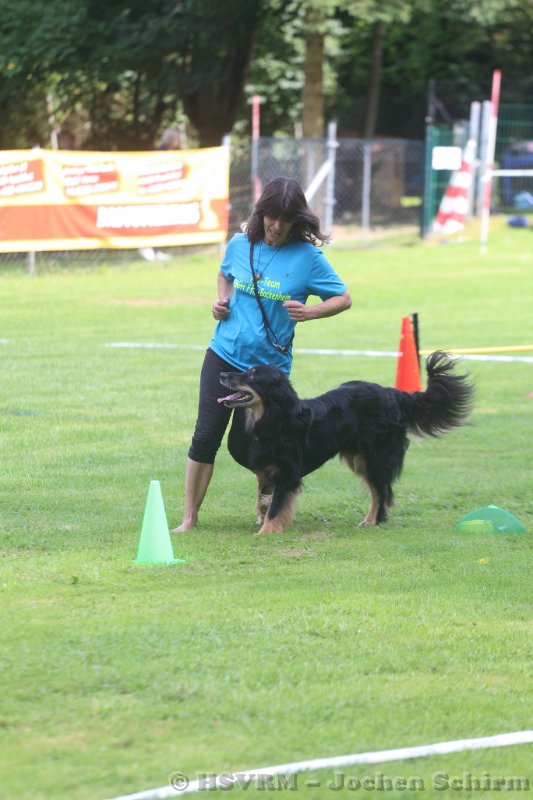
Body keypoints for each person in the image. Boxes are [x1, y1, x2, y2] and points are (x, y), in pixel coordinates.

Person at [174, 176, 352, 532]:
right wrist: (222, 301)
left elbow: (343, 297)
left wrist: (311, 312)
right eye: (272, 216)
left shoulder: (308, 258)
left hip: (269, 371)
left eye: (286, 219)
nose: (277, 225)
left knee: (251, 446)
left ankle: (267, 500)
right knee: (206, 436)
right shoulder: (241, 244)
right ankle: (189, 519)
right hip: (225, 354)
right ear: (261, 214)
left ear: (297, 220)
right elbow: (225, 275)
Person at [139, 127, 181, 261]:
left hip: (164, 193)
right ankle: (146, 248)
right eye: (177, 138)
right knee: (151, 220)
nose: (179, 140)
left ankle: (156, 251)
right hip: (154, 193)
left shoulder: (173, 153)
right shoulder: (158, 152)